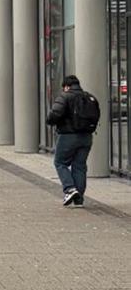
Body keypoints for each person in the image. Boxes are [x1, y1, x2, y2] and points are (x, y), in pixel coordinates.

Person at [46, 74, 101, 207]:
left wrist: (50, 121)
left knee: (60, 162)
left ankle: (70, 189)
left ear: (66, 86)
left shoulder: (65, 96)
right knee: (80, 166)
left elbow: (55, 114)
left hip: (68, 136)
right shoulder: (89, 97)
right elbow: (97, 114)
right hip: (87, 137)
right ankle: (79, 200)